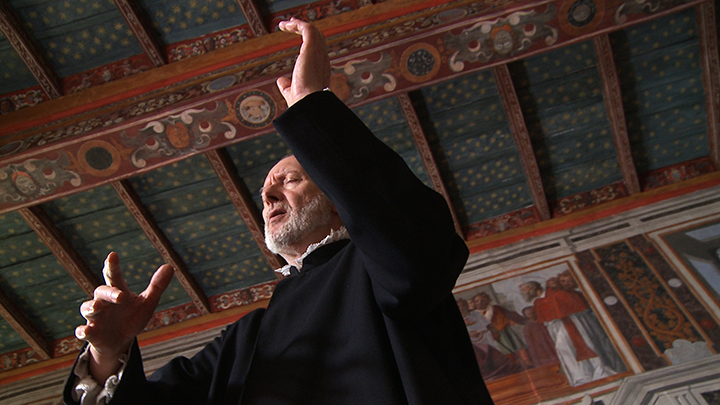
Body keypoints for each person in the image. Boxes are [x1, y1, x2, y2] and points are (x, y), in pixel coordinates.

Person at [62, 18, 493, 405]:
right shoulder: (246, 339)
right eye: (265, 190)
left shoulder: (379, 266)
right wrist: (107, 353)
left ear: (339, 202)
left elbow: (418, 240)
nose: (267, 196)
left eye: (288, 180)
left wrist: (311, 103)